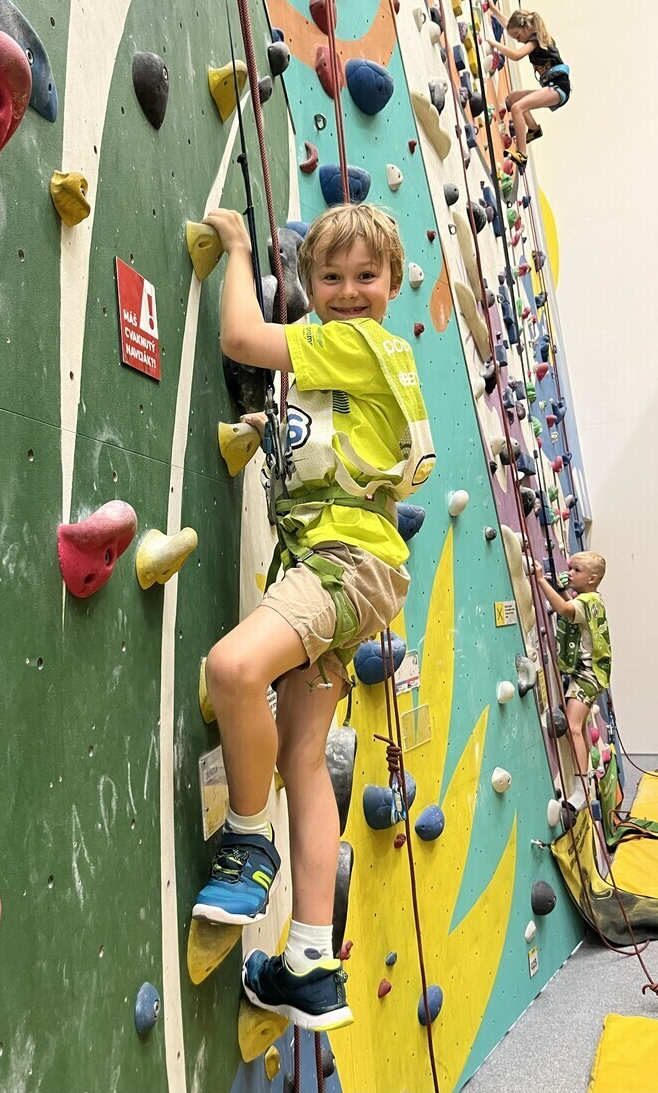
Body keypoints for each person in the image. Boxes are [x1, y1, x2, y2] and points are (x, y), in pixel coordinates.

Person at [191, 202, 435, 1032]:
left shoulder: (355, 342)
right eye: (330, 277)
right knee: (302, 754)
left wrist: (235, 250)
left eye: (367, 276)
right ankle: (307, 962)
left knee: (233, 669)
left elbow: (241, 338)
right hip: (355, 572)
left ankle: (247, 841)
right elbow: (331, 441)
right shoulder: (361, 364)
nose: (348, 290)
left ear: (393, 284)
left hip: (339, 564)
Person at [534, 553, 611, 779]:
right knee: (579, 727)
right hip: (592, 674)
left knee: (573, 725)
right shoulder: (593, 600)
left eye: (577, 570)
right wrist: (561, 590)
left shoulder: (587, 601)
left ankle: (580, 780)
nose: (570, 573)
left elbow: (564, 610)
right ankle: (585, 774)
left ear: (591, 579)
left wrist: (541, 580)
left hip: (588, 675)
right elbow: (572, 609)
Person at [483, 6, 571, 170]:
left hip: (559, 88)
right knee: (513, 99)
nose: (518, 40)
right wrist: (494, 10)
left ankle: (522, 155)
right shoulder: (530, 33)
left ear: (526, 28)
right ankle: (533, 129)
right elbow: (510, 26)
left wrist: (496, 45)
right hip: (552, 85)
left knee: (517, 108)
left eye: (518, 36)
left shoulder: (535, 40)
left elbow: (516, 56)